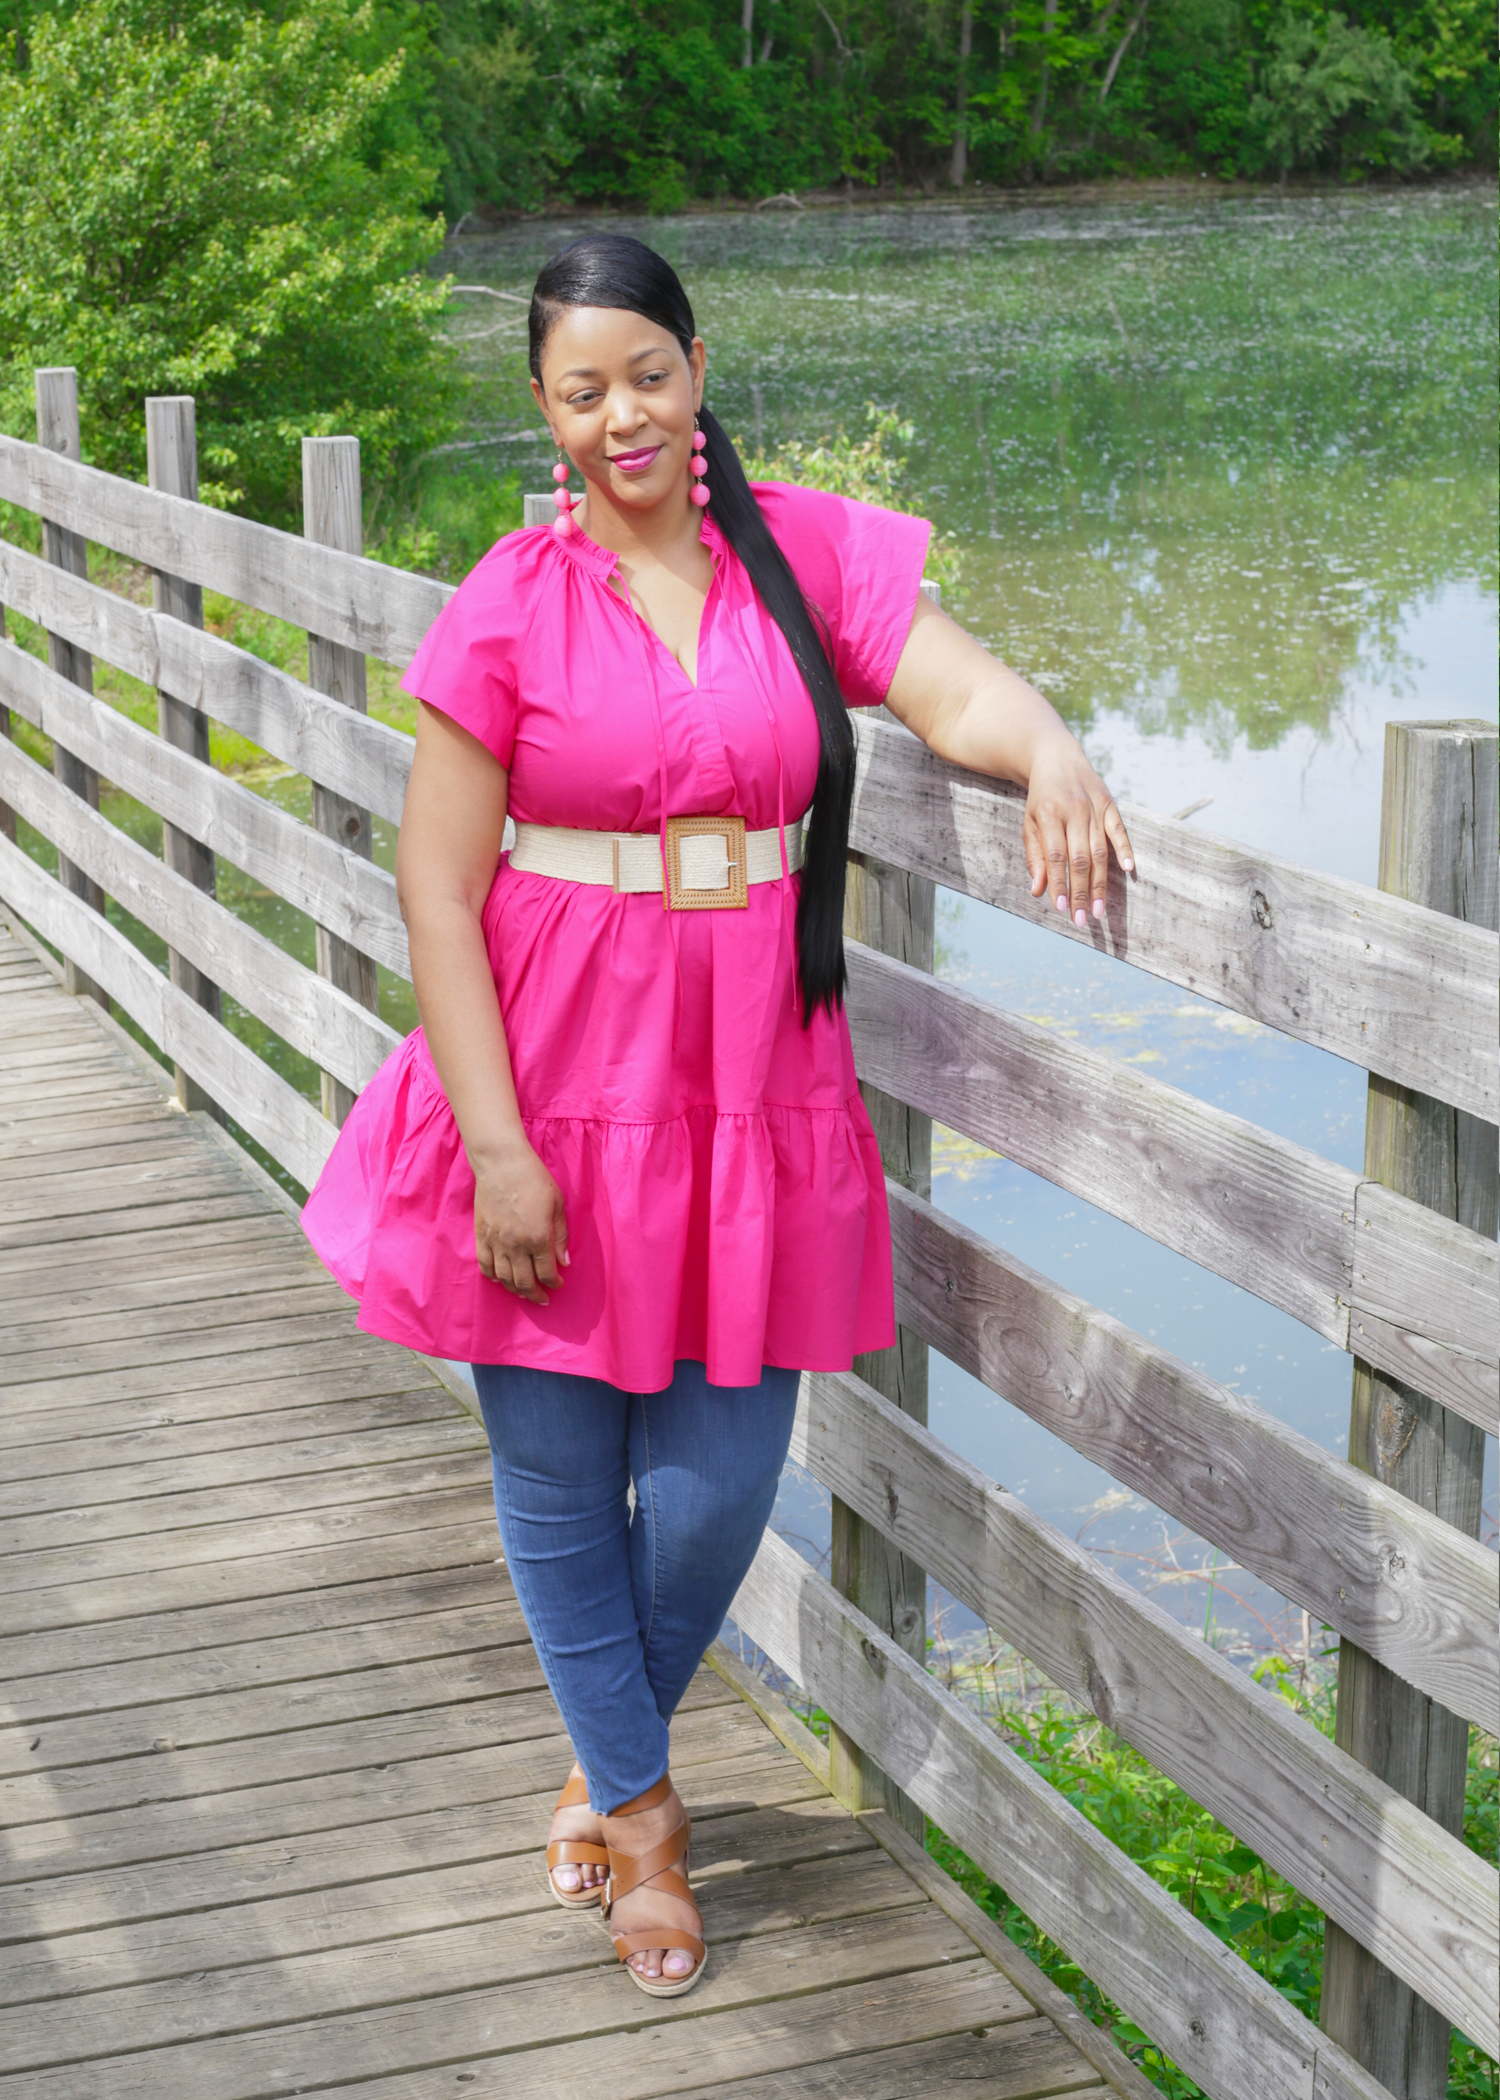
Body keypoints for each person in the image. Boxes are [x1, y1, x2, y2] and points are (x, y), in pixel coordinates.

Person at [301, 232, 1133, 2000]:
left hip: (754, 1086)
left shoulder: (802, 550)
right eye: (580, 389)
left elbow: (954, 688)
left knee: (711, 1488)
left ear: (697, 367)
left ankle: (602, 1761)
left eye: (648, 375)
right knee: (555, 1476)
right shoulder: (509, 602)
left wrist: (1049, 743)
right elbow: (438, 891)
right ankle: (649, 1816)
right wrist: (502, 1143)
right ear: (543, 407)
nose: (622, 416)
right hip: (547, 1082)